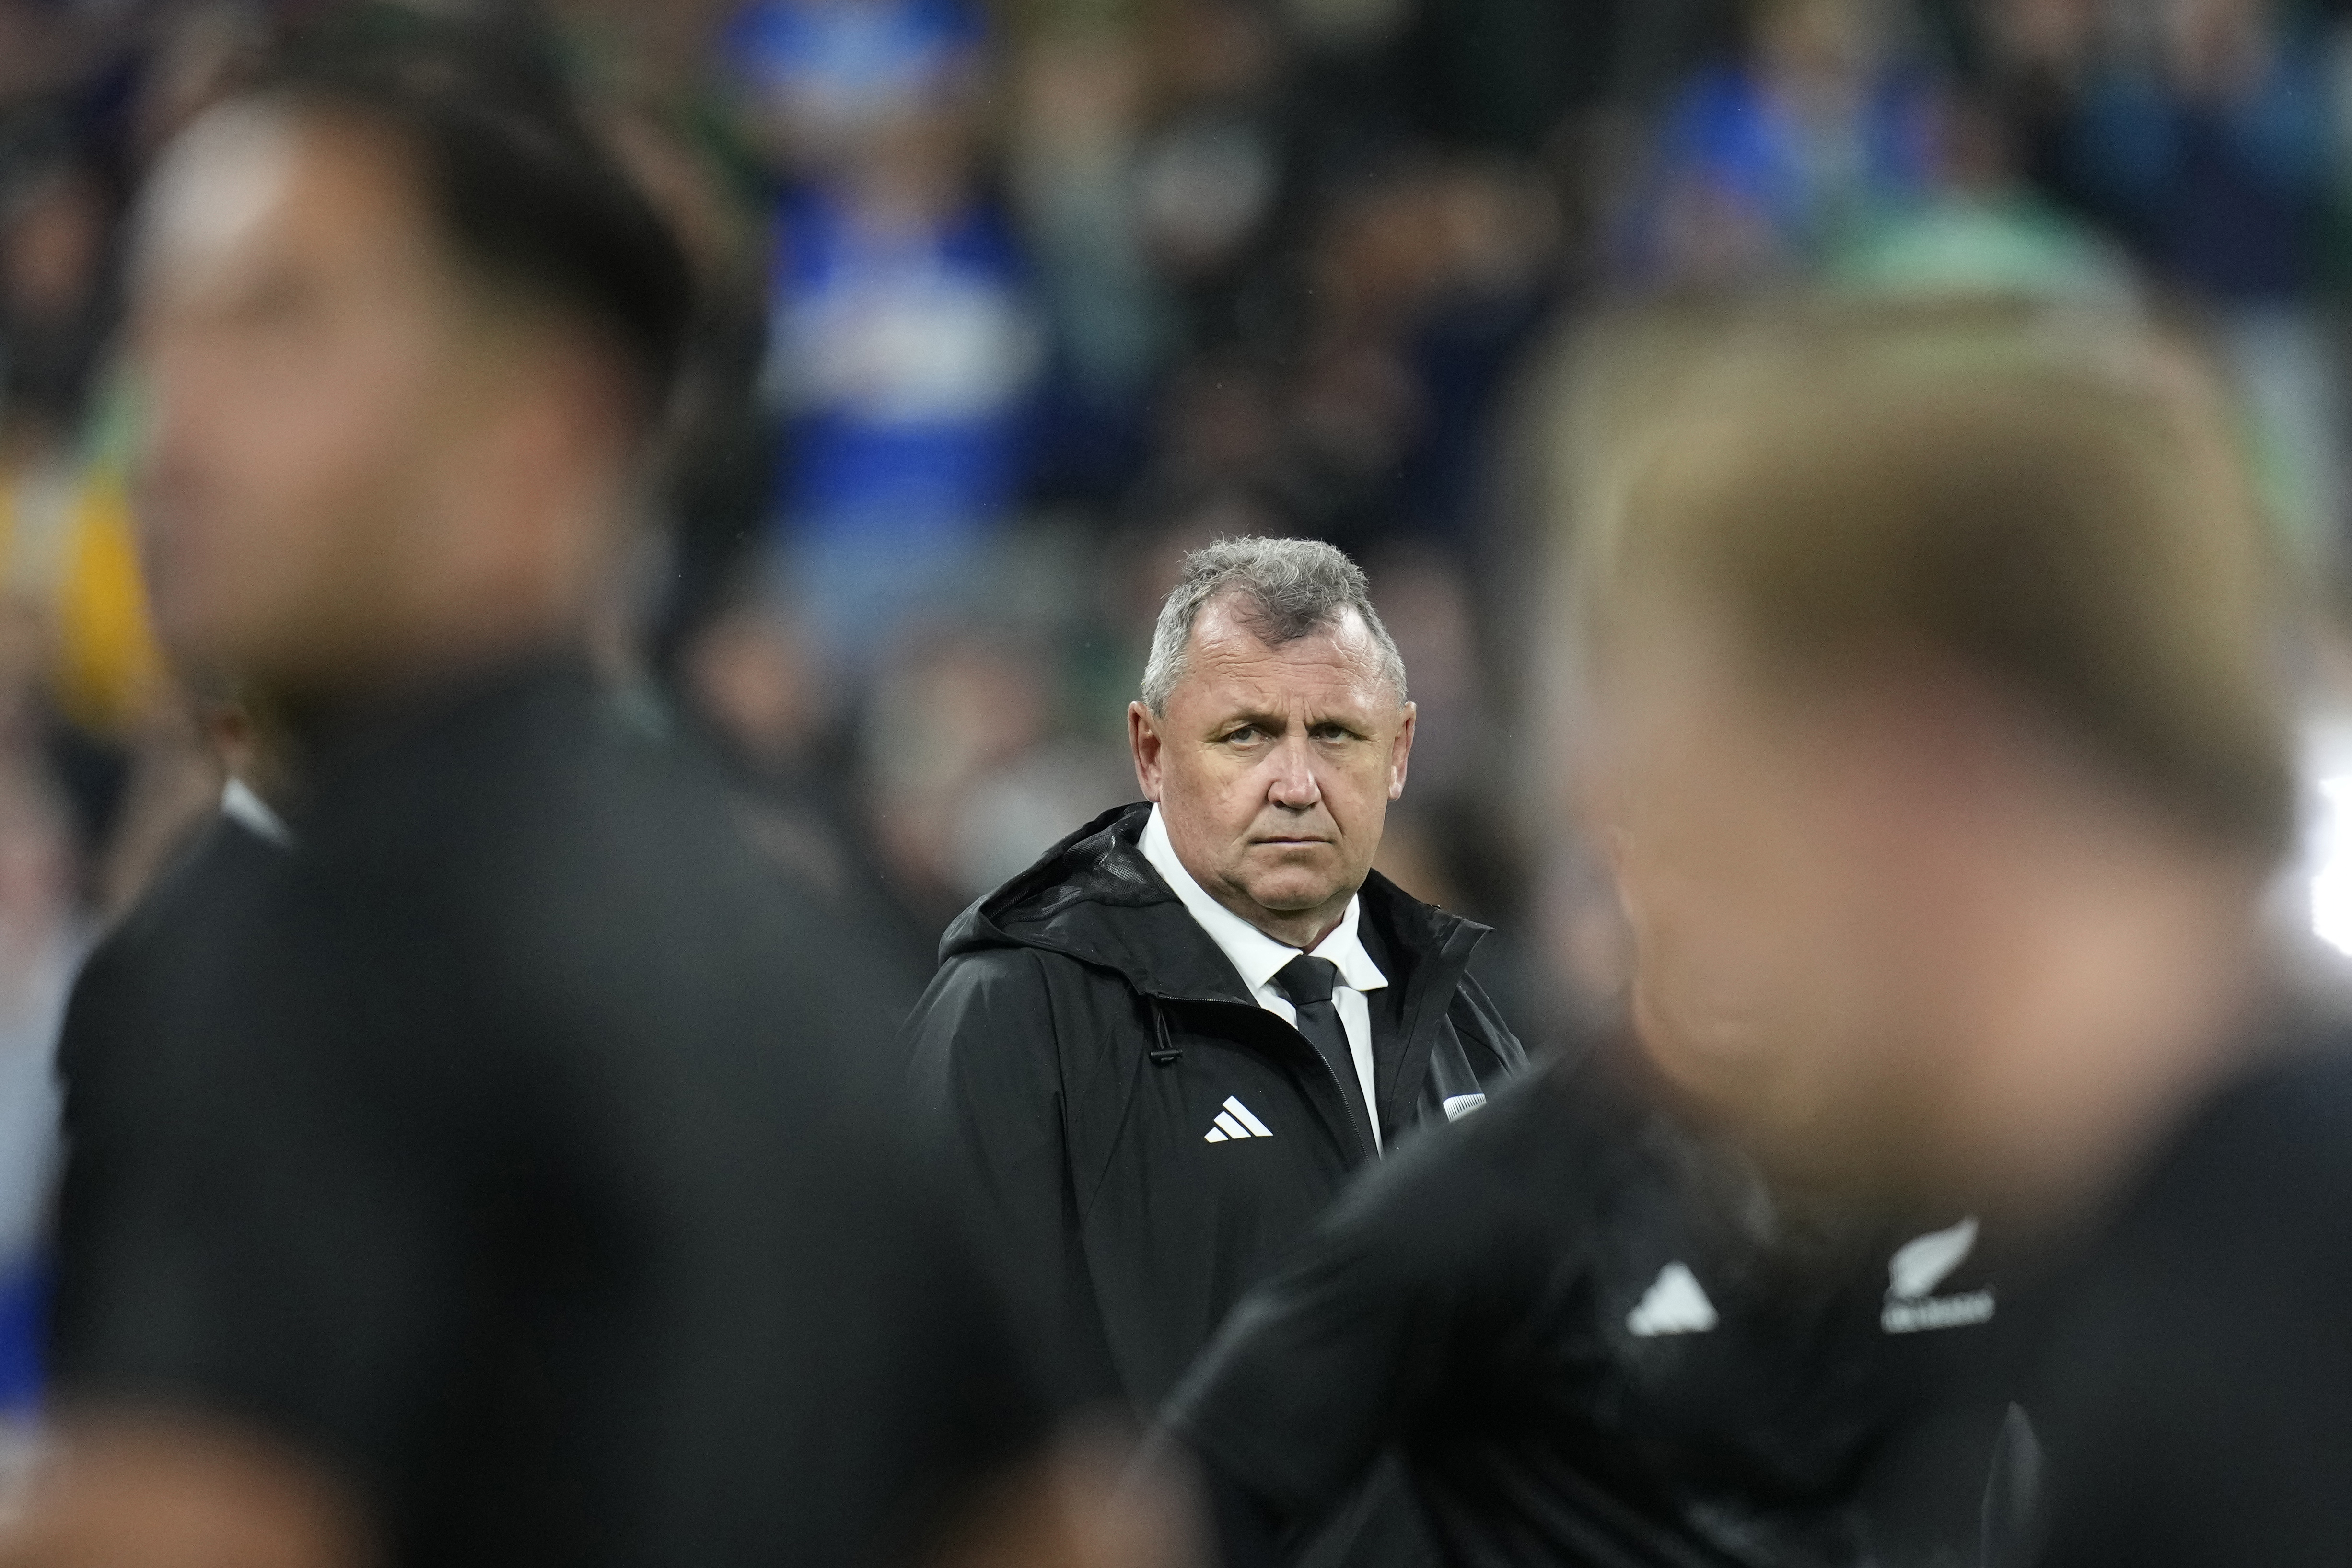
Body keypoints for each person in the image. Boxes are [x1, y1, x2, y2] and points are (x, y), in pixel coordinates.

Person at [5, 16, 1099, 1568]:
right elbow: (1061, 1517)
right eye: (160, 331)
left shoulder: (296, 940)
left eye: (279, 327)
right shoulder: (820, 901)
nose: (169, 428)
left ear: (545, 430)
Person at [1175, 306, 2341, 1568]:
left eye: (1706, 806)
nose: (1630, 859)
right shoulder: (2169, 1280)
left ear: (1913, 772)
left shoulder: (2248, 1353)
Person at [904, 537, 1524, 1555]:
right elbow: (919, 1412)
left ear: (1401, 751)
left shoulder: (1464, 1017)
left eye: (1335, 734)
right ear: (1149, 751)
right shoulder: (1015, 1015)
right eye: (1245, 735)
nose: (1294, 781)